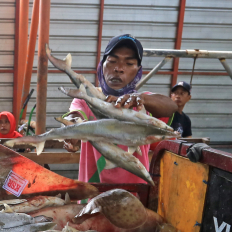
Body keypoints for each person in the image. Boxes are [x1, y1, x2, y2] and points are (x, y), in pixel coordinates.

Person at [62, 35, 177, 185]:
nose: (118, 69)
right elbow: (74, 115)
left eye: (129, 63)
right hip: (92, 198)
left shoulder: (143, 103)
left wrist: (141, 98)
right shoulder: (86, 99)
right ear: (101, 65)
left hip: (134, 198)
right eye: (112, 61)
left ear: (138, 71)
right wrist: (71, 127)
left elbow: (170, 107)